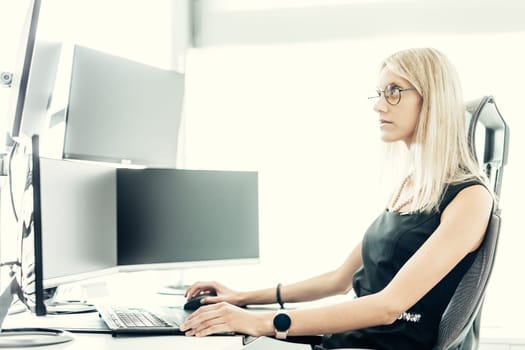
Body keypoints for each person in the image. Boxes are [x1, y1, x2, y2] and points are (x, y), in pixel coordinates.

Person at [179, 48, 494, 350]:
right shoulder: (411, 187)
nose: (379, 105)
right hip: (350, 340)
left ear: (433, 99)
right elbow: (339, 280)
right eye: (380, 93)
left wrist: (261, 322)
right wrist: (242, 297)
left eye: (394, 91)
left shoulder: (470, 198)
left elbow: (388, 306)